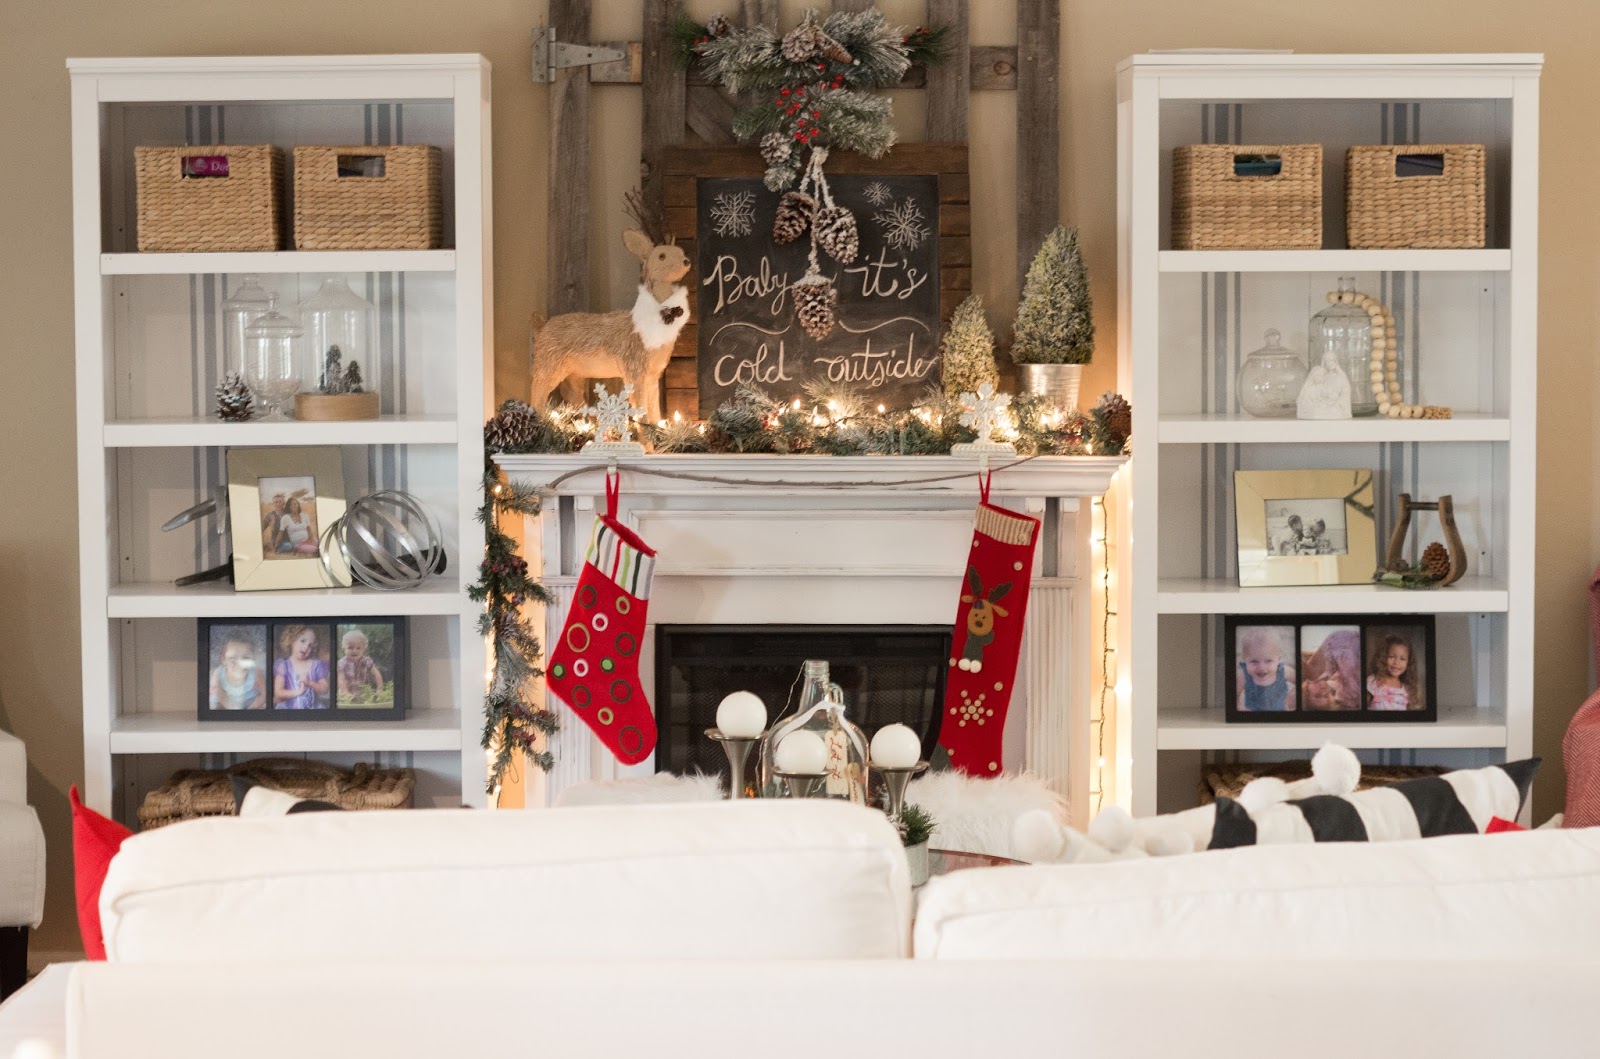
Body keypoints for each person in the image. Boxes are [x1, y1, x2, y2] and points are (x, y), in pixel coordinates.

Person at [1236, 627, 1295, 712]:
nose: (1261, 668)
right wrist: (1240, 708)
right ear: (1245, 660)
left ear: (1278, 660)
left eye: (1268, 661)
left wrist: (1292, 696)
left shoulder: (1284, 671)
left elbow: (1302, 680)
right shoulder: (1243, 676)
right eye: (1254, 661)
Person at [274, 625, 330, 710]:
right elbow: (278, 692)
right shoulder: (284, 665)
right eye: (303, 641)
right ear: (291, 640)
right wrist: (298, 692)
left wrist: (310, 683)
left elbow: (325, 689)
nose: (306, 647)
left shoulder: (316, 665)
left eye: (310, 645)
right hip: (289, 711)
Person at [209, 635, 265, 710]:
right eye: (233, 659)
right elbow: (216, 696)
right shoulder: (218, 674)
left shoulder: (256, 672)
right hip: (226, 706)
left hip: (251, 706)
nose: (239, 664)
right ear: (223, 659)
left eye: (246, 658)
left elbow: (264, 694)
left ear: (253, 659)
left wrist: (249, 711)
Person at [1367, 634, 1420, 711]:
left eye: (1402, 659)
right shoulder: (1373, 681)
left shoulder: (1406, 690)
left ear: (1408, 663)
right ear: (1383, 657)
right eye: (1391, 657)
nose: (1396, 663)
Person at [337, 628, 385, 702]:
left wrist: (379, 689)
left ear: (364, 649)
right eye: (350, 647)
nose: (354, 651)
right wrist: (345, 693)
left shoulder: (366, 661)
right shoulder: (342, 663)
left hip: (364, 695)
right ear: (344, 648)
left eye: (358, 648)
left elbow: (377, 674)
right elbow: (341, 680)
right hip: (347, 696)